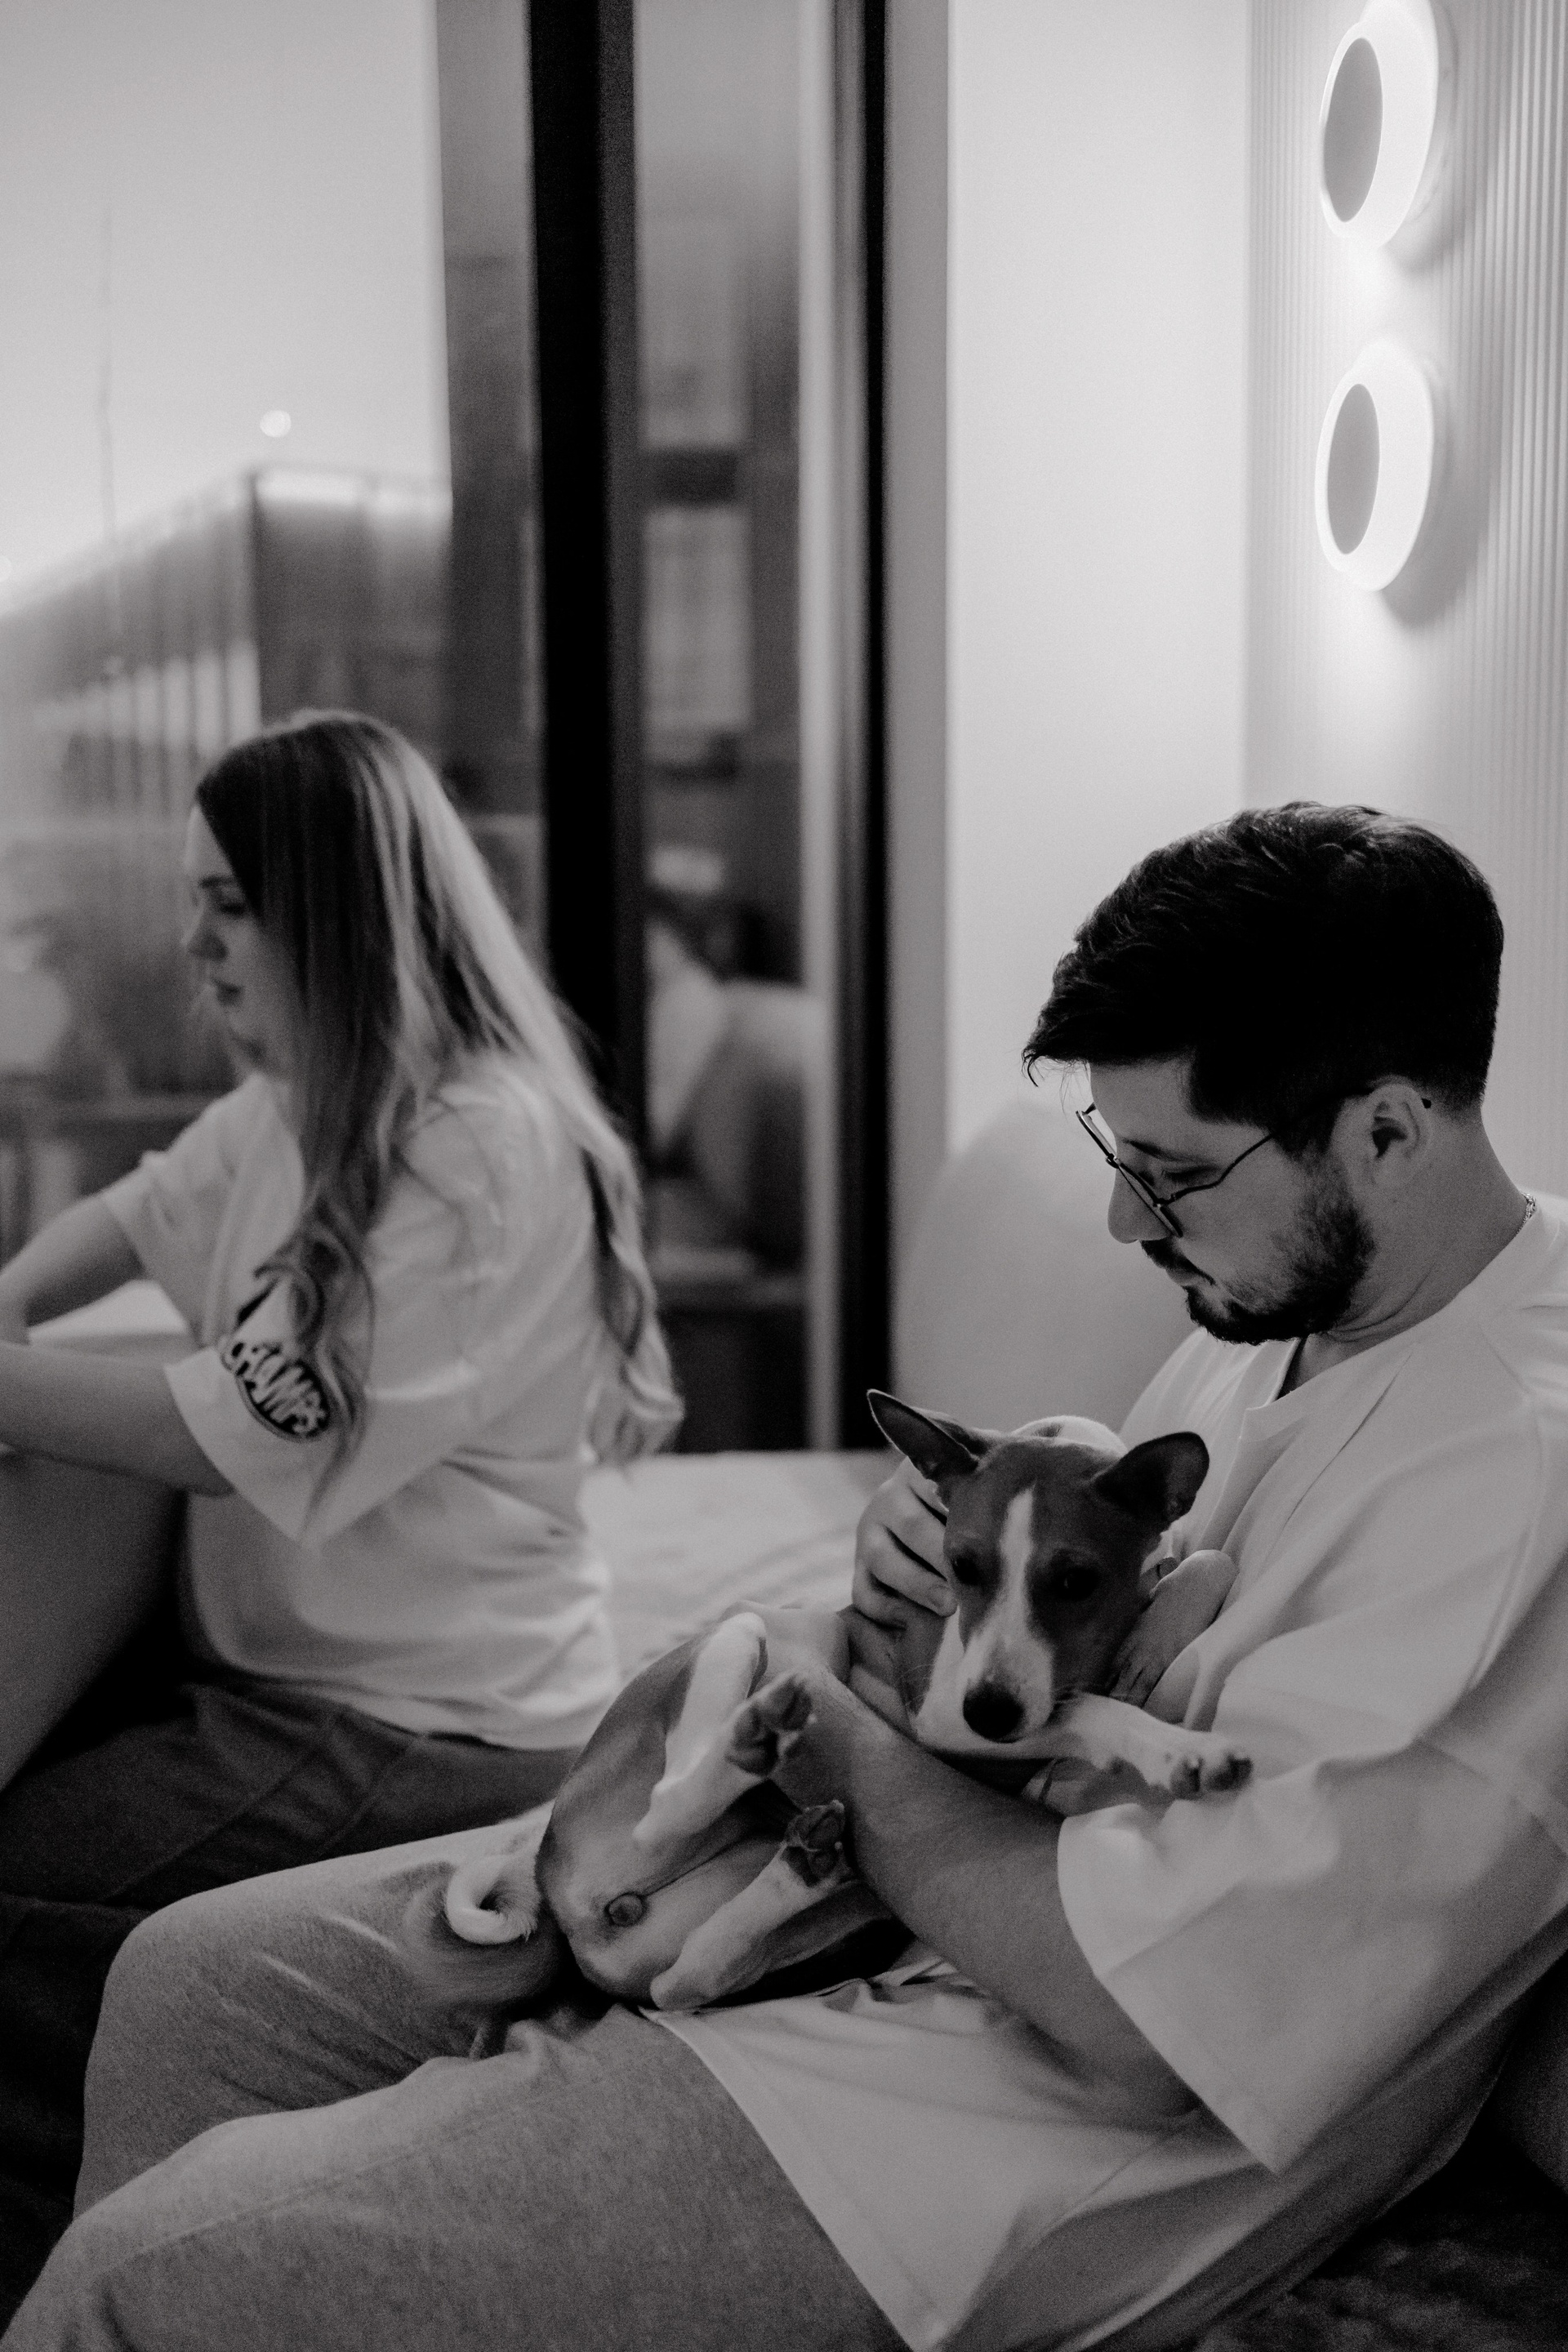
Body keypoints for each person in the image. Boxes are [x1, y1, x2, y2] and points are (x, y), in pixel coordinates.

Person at [9, 799, 1568, 2352]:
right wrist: (925, 1577)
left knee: (138, 2283)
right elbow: (1078, 1635)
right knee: (187, 1987)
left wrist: (822, 1710)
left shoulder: (1502, 1480)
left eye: (1166, 1174)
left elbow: (1147, 2021)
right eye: (1118, 1157)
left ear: (1386, 1132)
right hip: (882, 1927)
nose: (1120, 1219)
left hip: (961, 2134)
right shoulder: (1308, 1301)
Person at [0, 712, 679, 2323]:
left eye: (229, 904)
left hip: (424, 1718)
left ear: (338, 912)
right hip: (296, 1669)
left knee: (18, 1882)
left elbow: (208, 1433)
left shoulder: (479, 1156)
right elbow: (128, 1216)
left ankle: (70, 2277)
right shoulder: (298, 1102)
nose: (194, 947)